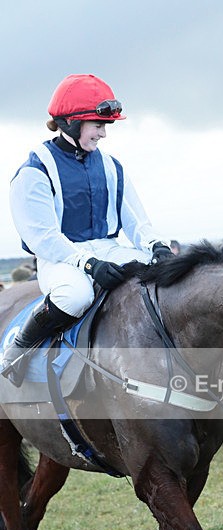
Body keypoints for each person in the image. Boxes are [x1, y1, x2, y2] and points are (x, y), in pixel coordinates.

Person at [2, 73, 172, 387]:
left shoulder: (111, 166)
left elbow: (136, 221)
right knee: (76, 294)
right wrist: (88, 264)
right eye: (98, 125)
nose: (104, 133)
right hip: (60, 259)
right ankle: (19, 348)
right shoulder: (35, 171)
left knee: (160, 277)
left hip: (108, 248)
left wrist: (156, 246)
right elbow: (44, 238)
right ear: (69, 123)